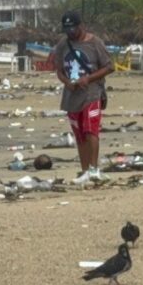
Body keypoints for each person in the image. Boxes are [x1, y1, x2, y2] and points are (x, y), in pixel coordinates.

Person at [52, 11, 114, 184]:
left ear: (81, 26)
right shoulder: (63, 44)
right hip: (72, 96)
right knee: (79, 134)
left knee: (90, 131)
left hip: (91, 93)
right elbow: (59, 70)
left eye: (73, 28)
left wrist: (88, 78)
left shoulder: (95, 43)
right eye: (67, 29)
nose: (70, 32)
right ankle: (85, 170)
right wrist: (66, 82)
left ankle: (94, 169)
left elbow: (109, 67)